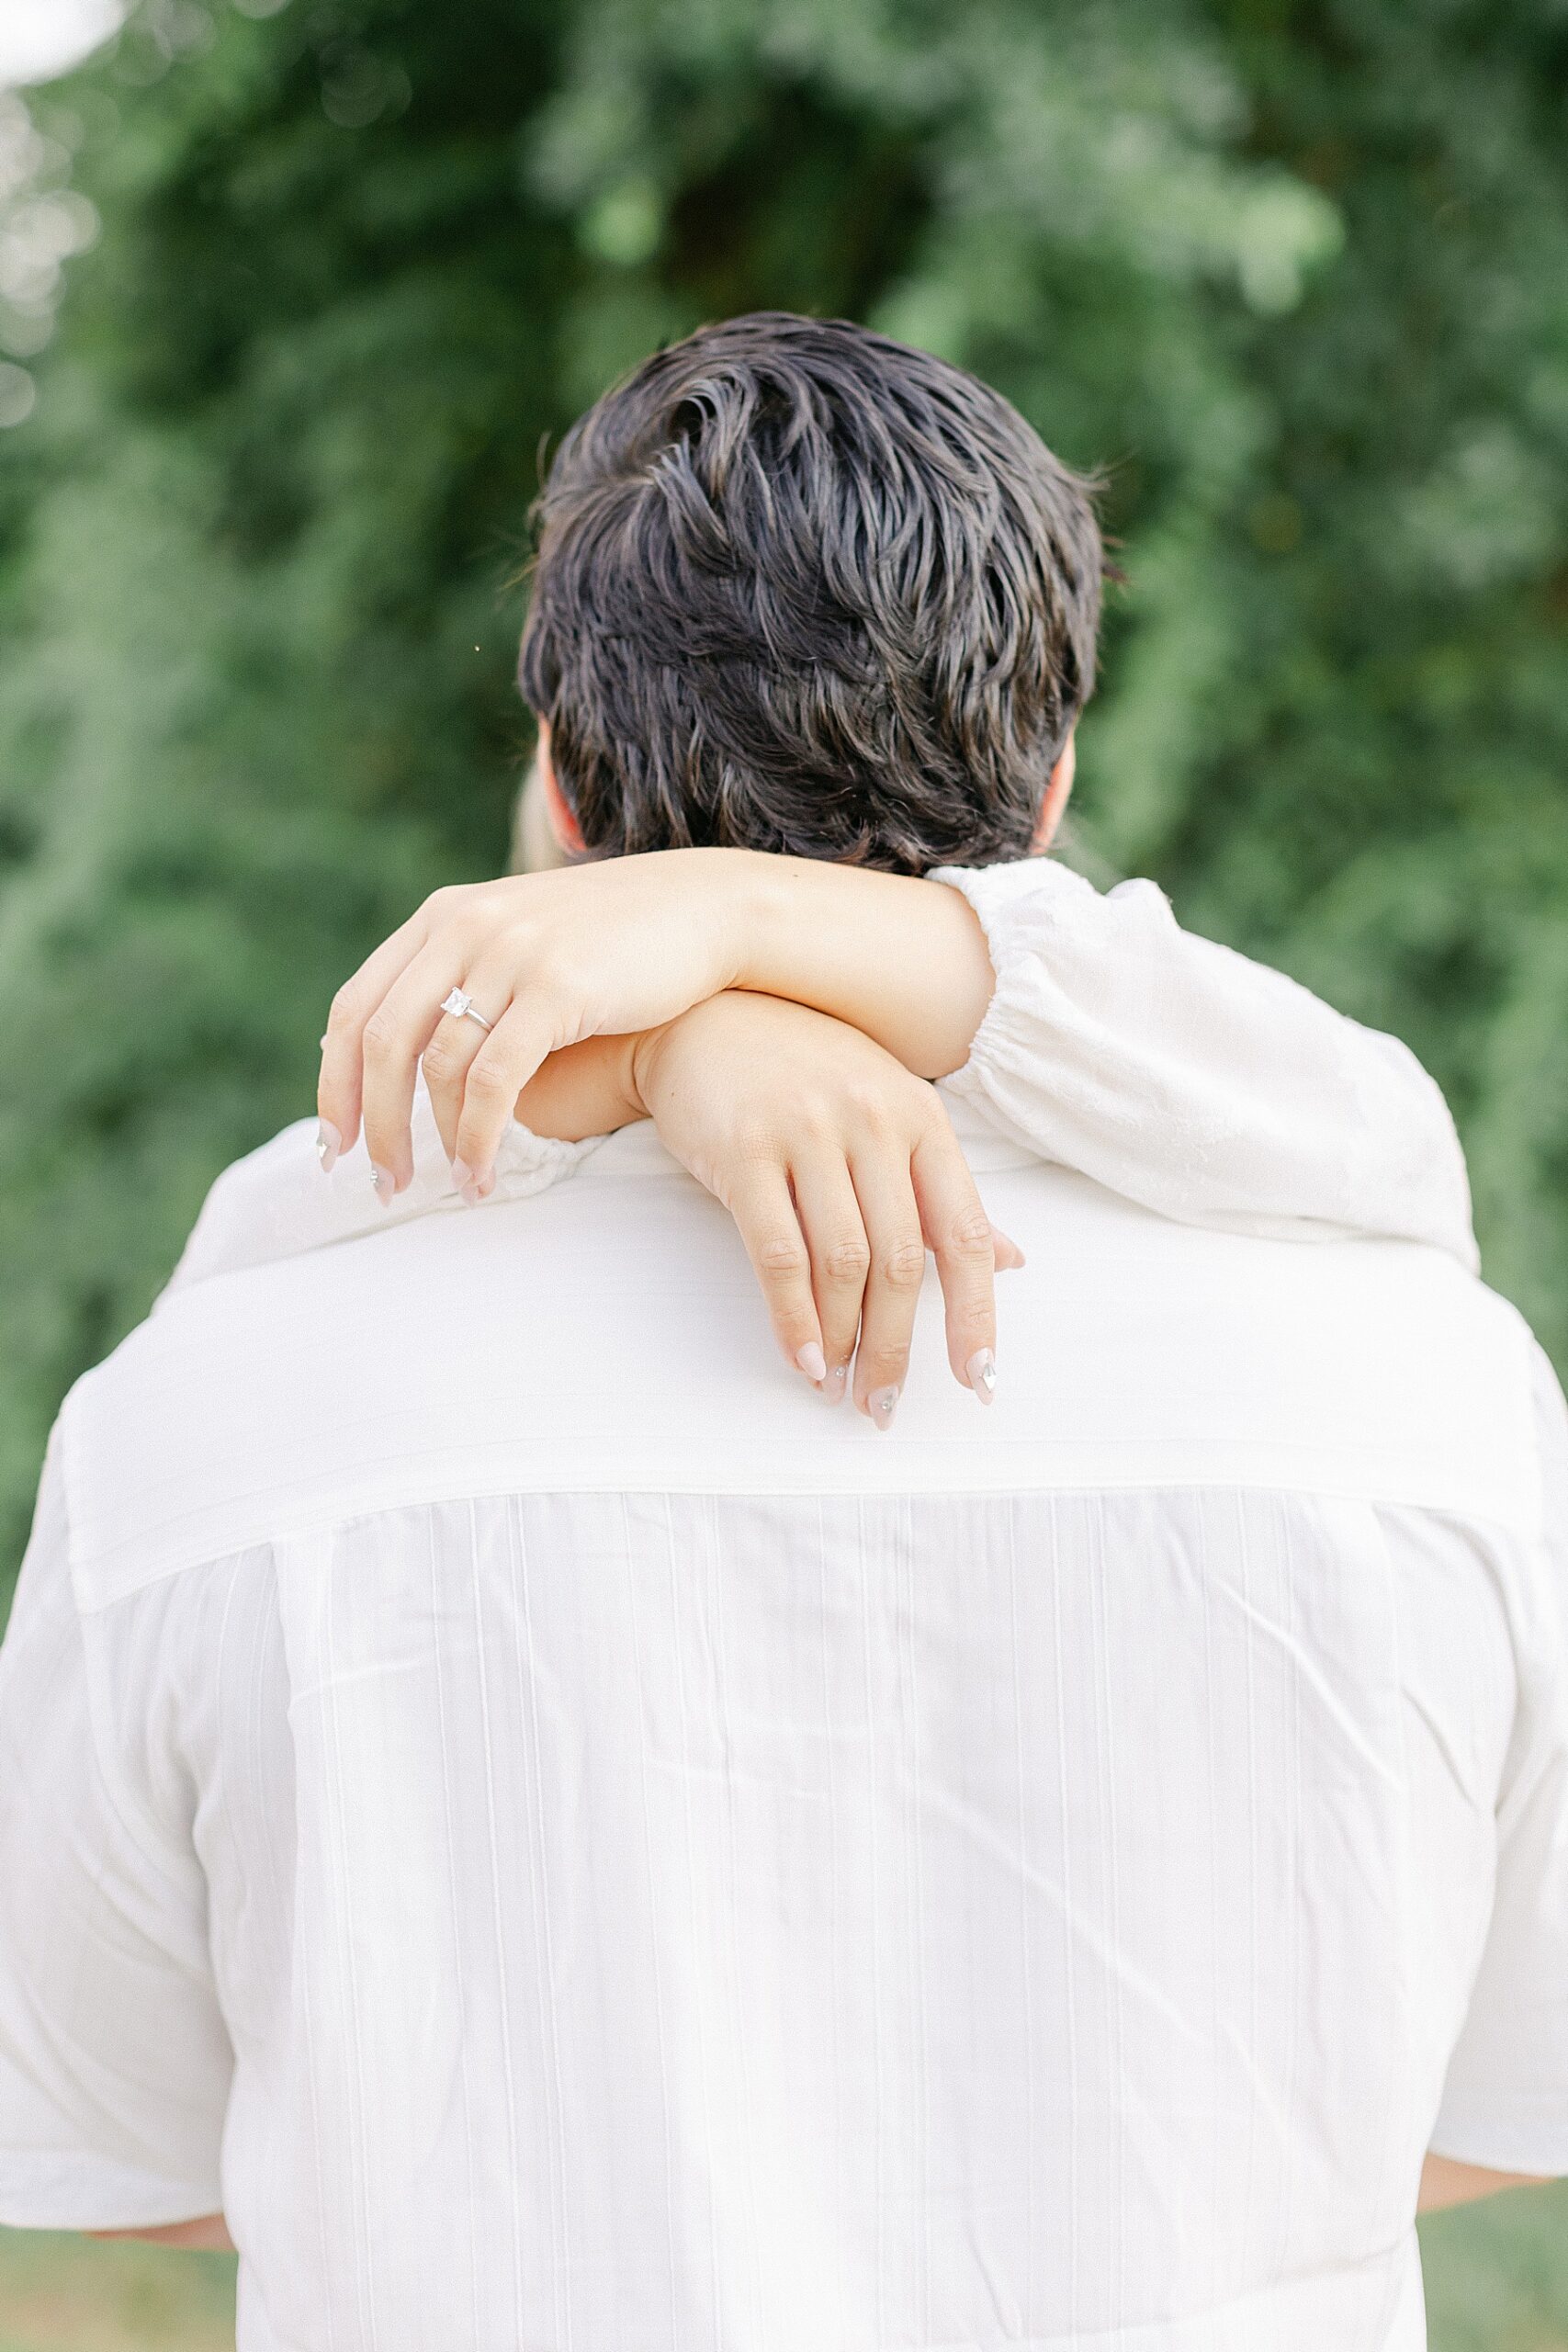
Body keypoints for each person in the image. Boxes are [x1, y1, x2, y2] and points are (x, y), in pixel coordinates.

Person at [0, 313, 1562, 2351]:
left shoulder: (199, 1422)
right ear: (1055, 781)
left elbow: (136, 2149)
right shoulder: (1432, 1388)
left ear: (557, 793)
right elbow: (1483, 2104)